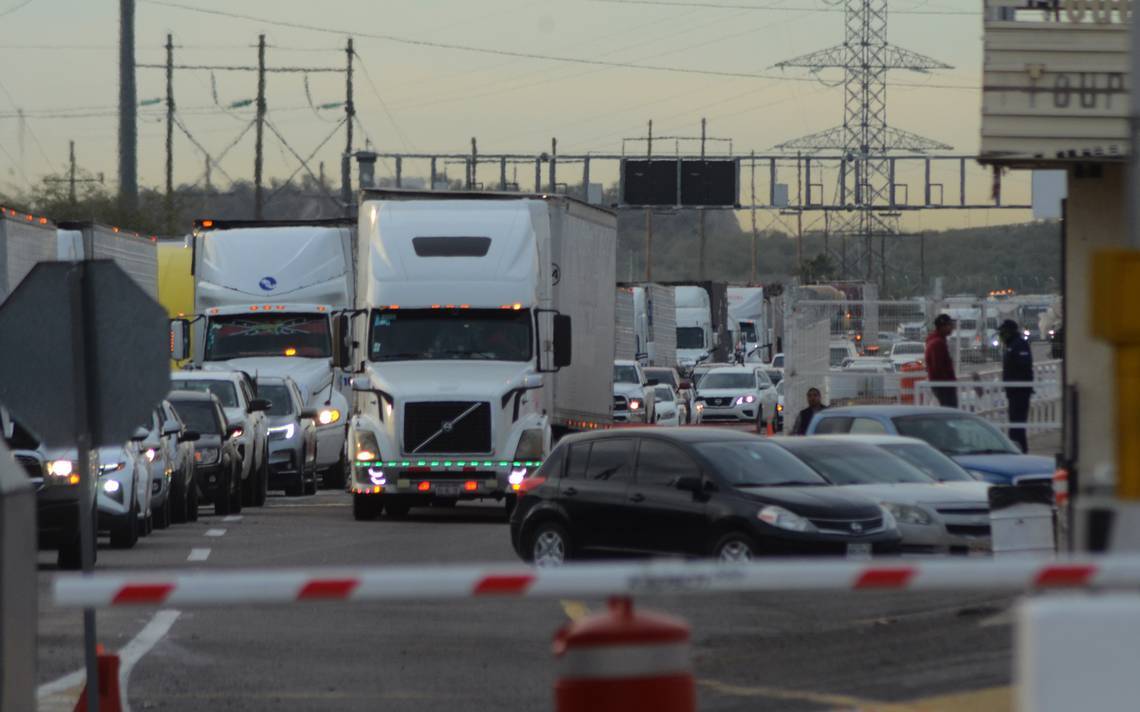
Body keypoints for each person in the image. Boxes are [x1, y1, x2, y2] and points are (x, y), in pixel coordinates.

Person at [999, 319, 1034, 453]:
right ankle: (1017, 451)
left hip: (1020, 391)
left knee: (1017, 425)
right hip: (1013, 391)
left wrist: (1019, 384)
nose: (1002, 334)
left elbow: (1024, 367)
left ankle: (1021, 452)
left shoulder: (1019, 345)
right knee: (1014, 424)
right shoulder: (1011, 345)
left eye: (1004, 332)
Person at [925, 314, 958, 408]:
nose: (952, 328)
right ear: (943, 326)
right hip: (943, 385)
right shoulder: (937, 343)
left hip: (941, 383)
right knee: (951, 411)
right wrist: (949, 381)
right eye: (950, 325)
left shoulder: (936, 340)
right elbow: (938, 367)